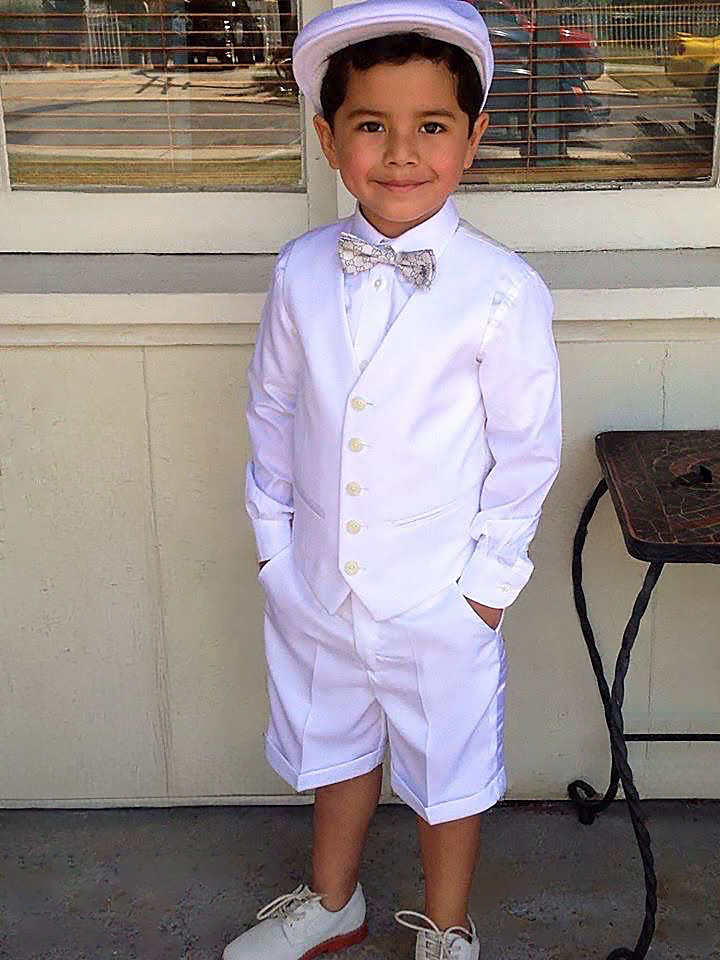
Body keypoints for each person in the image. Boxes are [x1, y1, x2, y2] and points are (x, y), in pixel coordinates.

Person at [225, 0, 562, 957]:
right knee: (333, 741)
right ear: (329, 138)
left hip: (440, 591)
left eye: (433, 126)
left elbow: (527, 451)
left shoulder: (500, 289)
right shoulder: (299, 273)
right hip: (320, 583)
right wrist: (276, 553)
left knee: (446, 766)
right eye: (372, 124)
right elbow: (272, 412)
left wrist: (484, 592)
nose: (402, 152)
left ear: (474, 137)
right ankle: (334, 901)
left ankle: (447, 927)